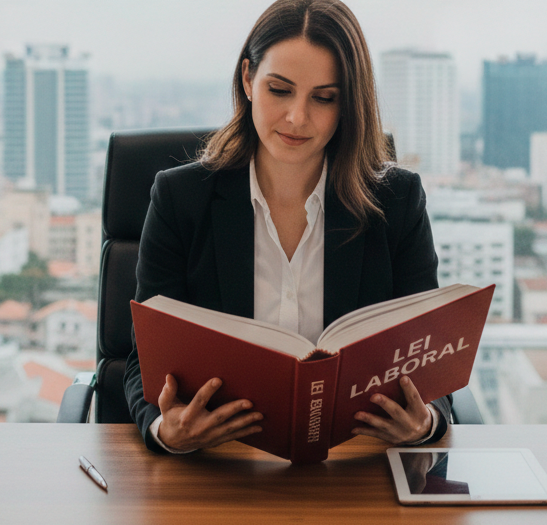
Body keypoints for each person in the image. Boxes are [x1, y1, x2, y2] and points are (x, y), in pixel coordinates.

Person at [124, 0, 452, 454]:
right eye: (280, 90)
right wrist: (167, 431)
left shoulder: (397, 202)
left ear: (348, 105)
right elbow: (143, 360)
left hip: (354, 467)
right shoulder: (182, 199)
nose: (298, 117)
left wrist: (425, 422)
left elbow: (433, 360)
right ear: (247, 80)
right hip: (223, 466)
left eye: (324, 97)